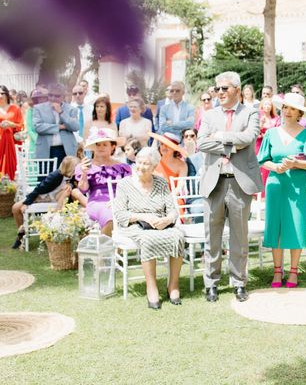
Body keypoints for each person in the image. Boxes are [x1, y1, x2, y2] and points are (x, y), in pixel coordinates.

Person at [197, 71, 262, 303]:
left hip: (239, 182)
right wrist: (231, 145)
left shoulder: (251, 112)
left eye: (224, 88)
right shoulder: (209, 115)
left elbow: (249, 137)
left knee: (239, 236)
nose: (220, 93)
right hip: (214, 182)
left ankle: (238, 283)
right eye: (217, 89)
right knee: (211, 236)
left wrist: (222, 135)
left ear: (237, 89)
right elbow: (201, 142)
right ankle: (211, 284)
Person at [257, 92, 306, 288]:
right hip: (276, 184)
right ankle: (278, 271)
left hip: (298, 186)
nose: (287, 111)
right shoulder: (271, 133)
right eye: (285, 107)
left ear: (299, 113)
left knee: (296, 224)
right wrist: (275, 167)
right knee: (276, 226)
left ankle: (294, 271)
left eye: (292, 108)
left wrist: (296, 163)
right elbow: (262, 160)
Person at [112, 147, 184, 309]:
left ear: (154, 167)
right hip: (135, 224)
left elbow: (172, 210)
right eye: (139, 162)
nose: (141, 167)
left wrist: (167, 219)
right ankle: (151, 287)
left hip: (160, 223)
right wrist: (144, 217)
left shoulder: (160, 182)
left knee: (178, 236)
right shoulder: (125, 185)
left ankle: (173, 285)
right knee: (148, 239)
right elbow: (120, 214)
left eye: (146, 164)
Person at [11, 155, 80, 249]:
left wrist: (70, 185)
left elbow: (76, 183)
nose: (78, 170)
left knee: (66, 192)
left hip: (57, 199)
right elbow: (38, 189)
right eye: (76, 168)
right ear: (70, 168)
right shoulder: (55, 176)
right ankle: (21, 234)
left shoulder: (72, 176)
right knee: (15, 208)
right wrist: (27, 203)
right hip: (41, 197)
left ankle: (55, 218)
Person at [75, 128, 132, 236]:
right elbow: (83, 189)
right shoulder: (86, 165)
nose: (100, 148)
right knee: (111, 215)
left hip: (119, 201)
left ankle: (114, 248)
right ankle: (105, 249)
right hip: (98, 203)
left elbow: (130, 188)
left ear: (113, 146)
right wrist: (84, 173)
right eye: (98, 145)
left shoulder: (122, 167)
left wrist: (120, 201)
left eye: (105, 145)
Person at [33, 83, 79, 166]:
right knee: (45, 178)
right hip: (46, 149)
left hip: (65, 150)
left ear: (63, 97)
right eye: (50, 95)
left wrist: (61, 112)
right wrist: (59, 127)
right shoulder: (38, 108)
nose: (53, 98)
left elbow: (75, 127)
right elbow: (38, 127)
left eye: (57, 96)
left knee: (66, 178)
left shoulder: (71, 109)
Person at [255, 97, 280, 195]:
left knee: (268, 167)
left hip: (271, 145)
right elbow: (255, 133)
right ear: (262, 106)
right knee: (259, 167)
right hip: (259, 144)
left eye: (269, 104)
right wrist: (261, 124)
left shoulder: (276, 119)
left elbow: (278, 132)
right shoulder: (258, 118)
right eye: (265, 104)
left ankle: (267, 191)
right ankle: (257, 191)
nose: (267, 106)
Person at [0, 85, 24, 179]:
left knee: (11, 166)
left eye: (2, 93)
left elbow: (21, 125)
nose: (0, 96)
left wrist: (11, 124)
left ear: (6, 94)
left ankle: (10, 189)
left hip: (11, 142)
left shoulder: (15, 109)